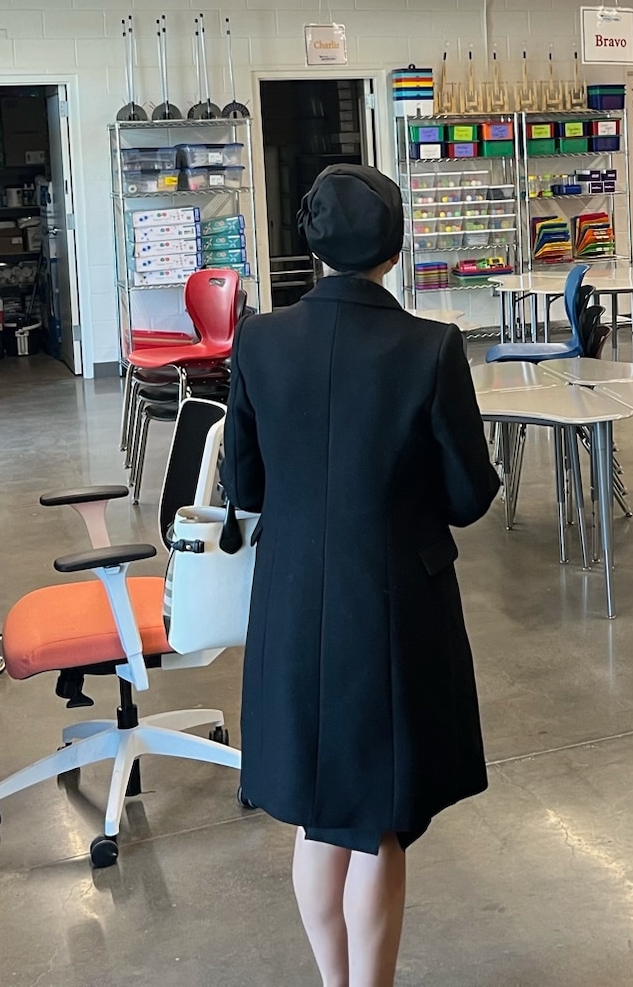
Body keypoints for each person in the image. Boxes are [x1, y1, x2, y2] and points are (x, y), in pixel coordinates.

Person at [221, 164, 501, 987]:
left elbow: (246, 486)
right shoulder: (431, 346)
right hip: (391, 607)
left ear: (310, 242)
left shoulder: (258, 340)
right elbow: (467, 496)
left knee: (316, 814)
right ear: (395, 244)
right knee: (376, 819)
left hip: (292, 599)